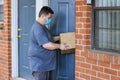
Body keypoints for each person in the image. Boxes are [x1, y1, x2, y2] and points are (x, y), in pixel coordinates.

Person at [28, 6, 69, 80]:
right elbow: (46, 45)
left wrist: (60, 37)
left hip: (45, 64)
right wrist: (60, 46)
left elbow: (47, 39)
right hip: (40, 65)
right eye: (49, 17)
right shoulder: (38, 28)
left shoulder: (42, 27)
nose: (50, 20)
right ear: (42, 16)